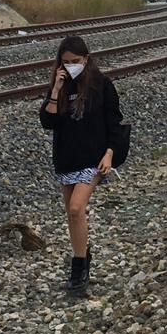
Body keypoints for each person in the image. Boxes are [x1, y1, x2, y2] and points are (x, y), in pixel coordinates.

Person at [39, 35, 124, 297]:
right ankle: (83, 254)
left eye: (75, 61)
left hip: (93, 158)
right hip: (67, 158)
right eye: (65, 62)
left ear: (86, 59)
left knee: (76, 208)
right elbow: (48, 122)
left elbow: (115, 121)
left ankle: (78, 270)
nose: (70, 66)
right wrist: (55, 90)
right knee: (72, 213)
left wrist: (109, 154)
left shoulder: (101, 84)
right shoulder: (60, 85)